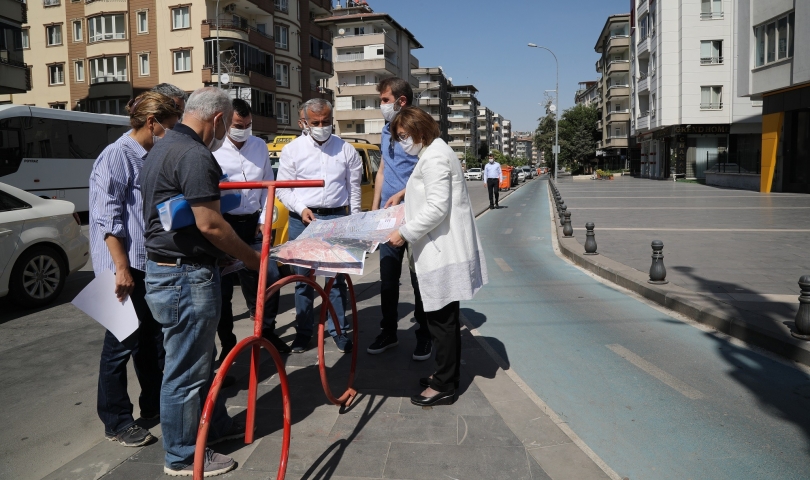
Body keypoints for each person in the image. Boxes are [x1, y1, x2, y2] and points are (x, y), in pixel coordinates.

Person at [140, 87, 262, 477]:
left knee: (198, 361)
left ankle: (214, 424)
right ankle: (181, 455)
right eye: (227, 124)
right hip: (183, 275)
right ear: (218, 119)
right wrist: (251, 259)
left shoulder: (163, 145)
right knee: (187, 370)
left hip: (173, 269)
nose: (227, 132)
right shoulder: (195, 155)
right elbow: (210, 223)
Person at [89, 92, 181, 448]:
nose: (171, 134)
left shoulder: (152, 154)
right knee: (119, 344)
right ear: (151, 122)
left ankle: (153, 403)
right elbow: (107, 217)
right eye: (169, 127)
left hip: (146, 262)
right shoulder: (116, 155)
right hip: (121, 267)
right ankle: (116, 421)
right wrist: (121, 268)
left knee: (149, 341)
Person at [386, 106, 488, 407]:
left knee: (442, 322)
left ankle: (444, 384)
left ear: (419, 130)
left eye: (404, 136)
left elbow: (436, 208)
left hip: (441, 252)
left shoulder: (434, 157)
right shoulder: (433, 153)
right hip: (437, 248)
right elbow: (429, 194)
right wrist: (404, 196)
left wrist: (404, 233)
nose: (403, 142)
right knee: (441, 320)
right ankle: (445, 375)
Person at [276, 98, 362, 354]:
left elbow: (353, 188)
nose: (321, 126)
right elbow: (283, 189)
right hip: (302, 221)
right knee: (302, 279)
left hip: (337, 219)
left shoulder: (346, 150)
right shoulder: (292, 150)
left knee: (335, 281)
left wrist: (354, 219)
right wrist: (301, 209)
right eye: (316, 122)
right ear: (305, 122)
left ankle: (339, 330)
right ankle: (304, 333)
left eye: (326, 122)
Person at [213, 98, 289, 359]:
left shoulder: (258, 146)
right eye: (237, 124)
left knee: (268, 278)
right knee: (222, 291)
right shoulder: (213, 147)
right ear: (225, 121)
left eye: (247, 125)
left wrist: (263, 220)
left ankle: (266, 332)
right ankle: (228, 344)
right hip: (225, 226)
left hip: (254, 224)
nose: (243, 130)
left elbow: (269, 186)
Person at [367, 77, 431, 359]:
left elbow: (428, 172)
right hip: (388, 218)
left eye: (384, 100)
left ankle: (425, 335)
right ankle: (389, 332)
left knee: (420, 280)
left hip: (415, 215)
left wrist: (405, 193)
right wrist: (374, 209)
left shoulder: (420, 131)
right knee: (388, 280)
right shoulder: (384, 131)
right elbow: (382, 170)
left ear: (400, 101)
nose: (381, 105)